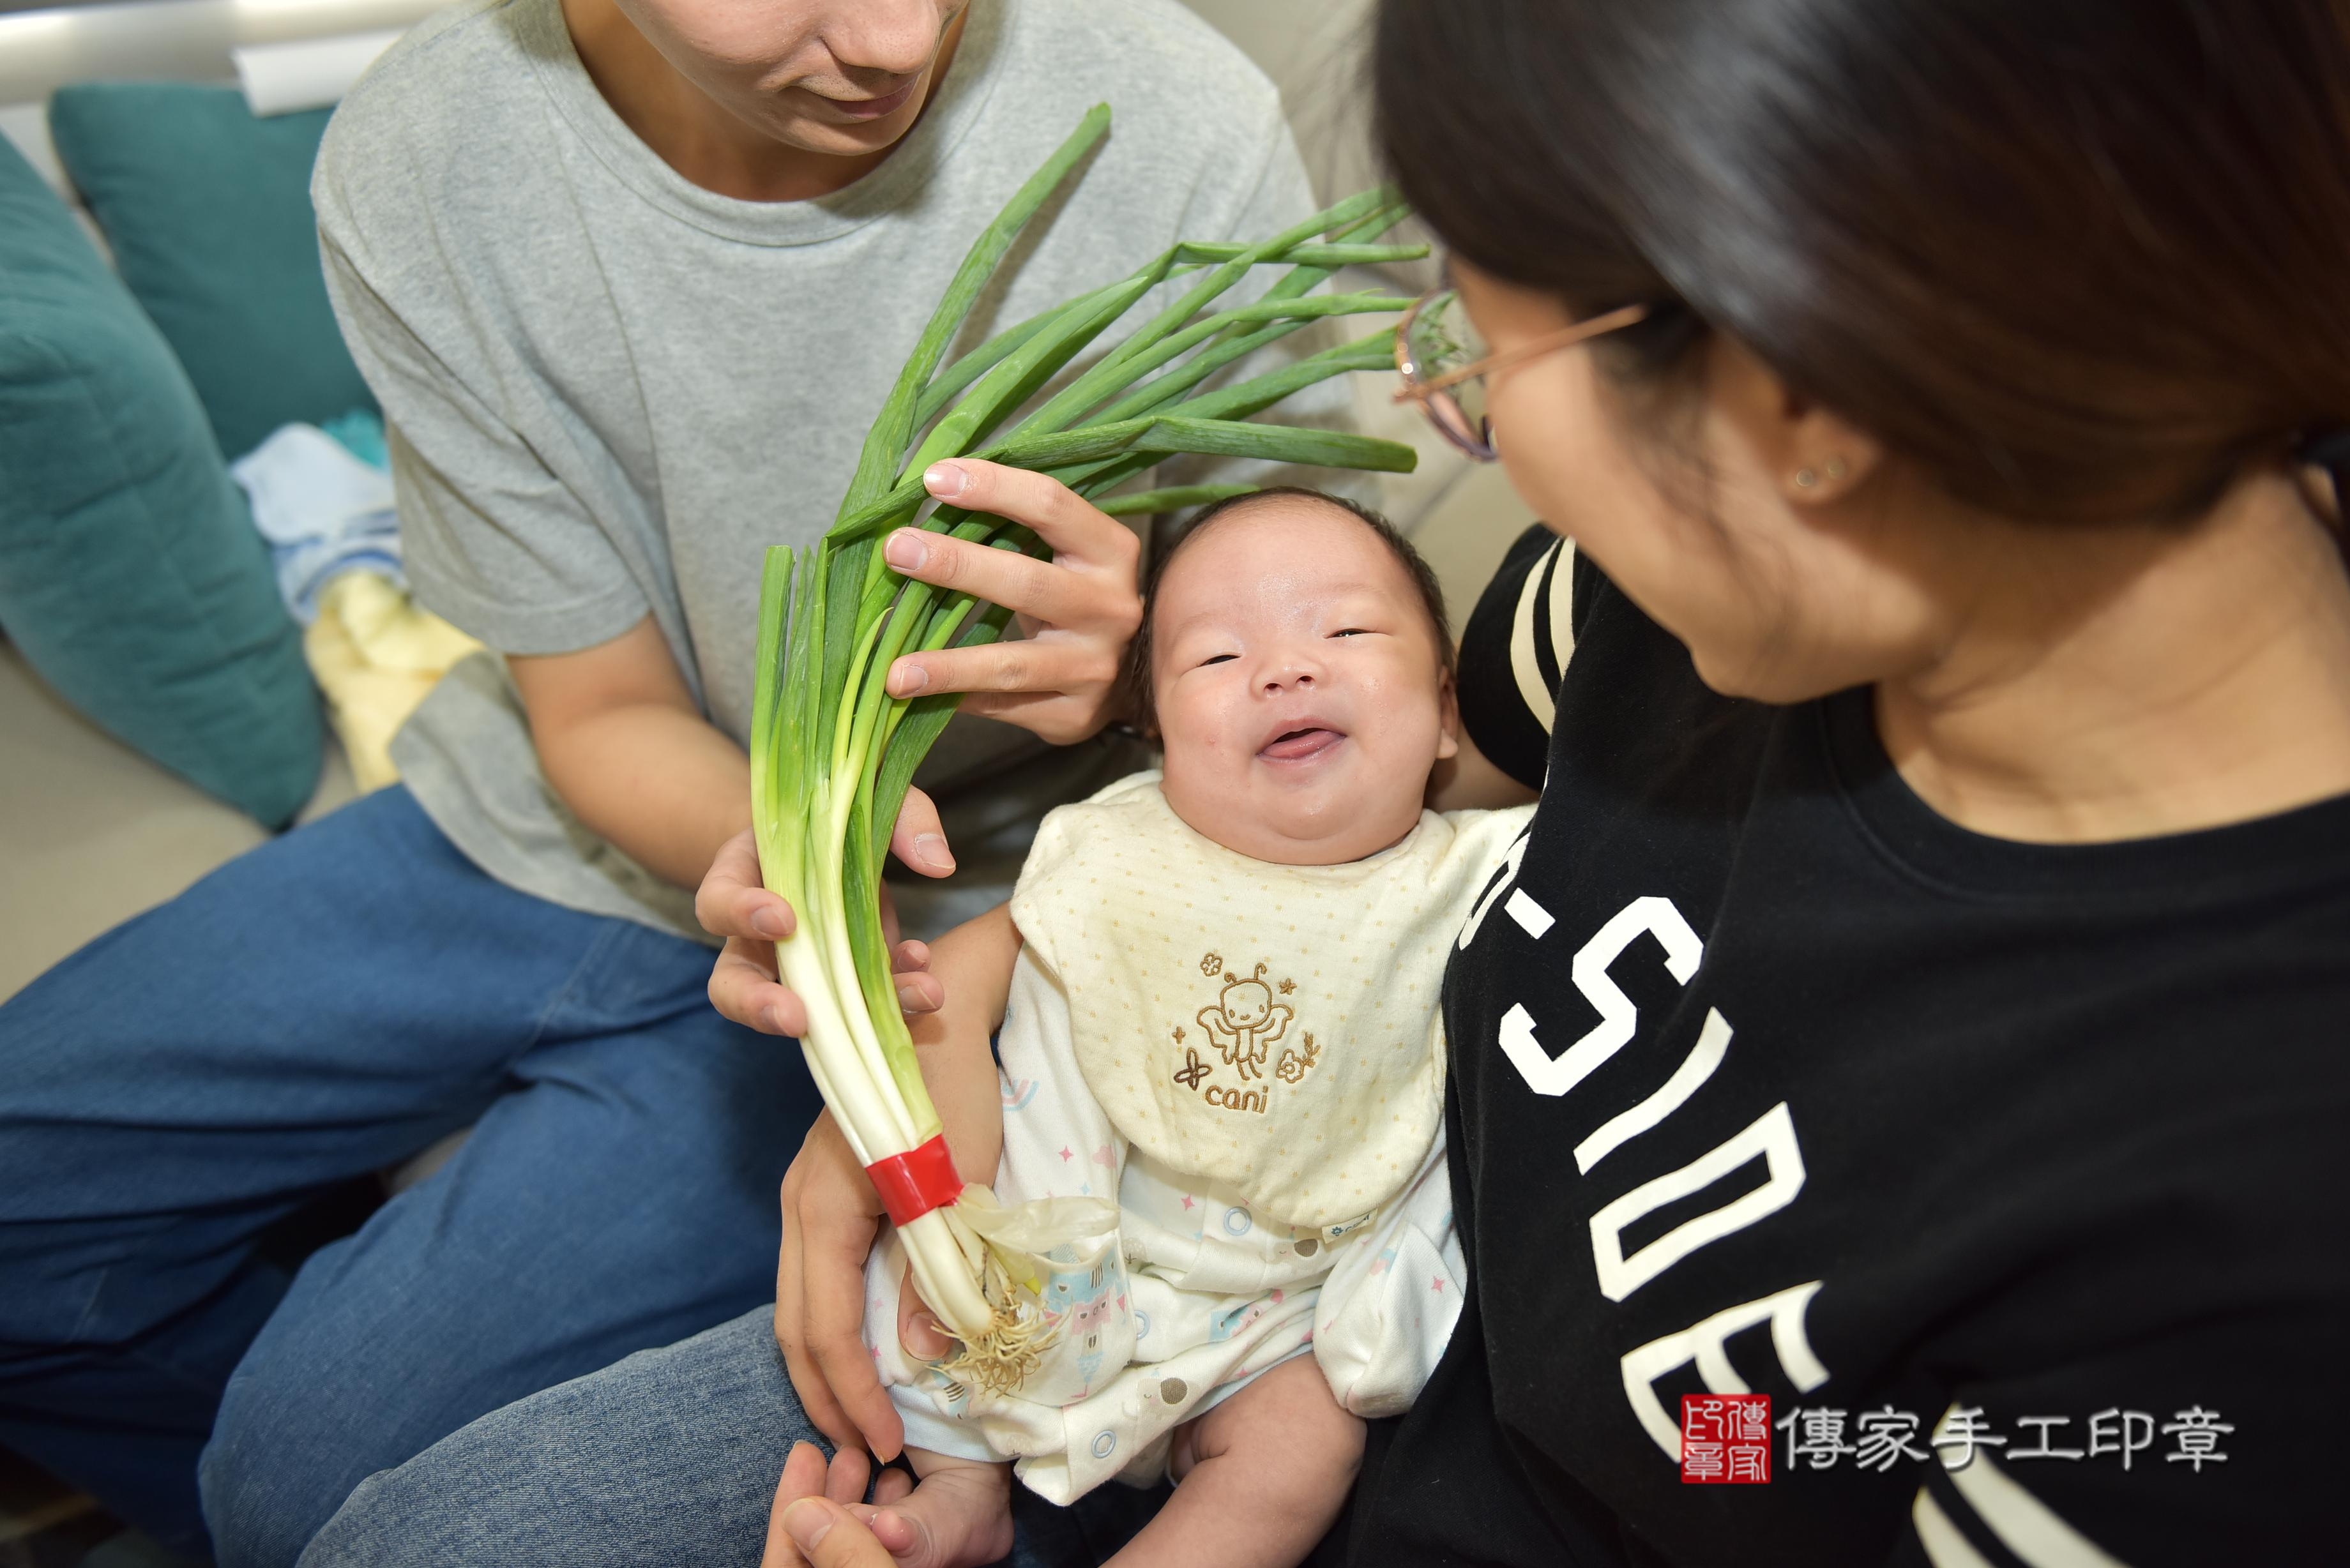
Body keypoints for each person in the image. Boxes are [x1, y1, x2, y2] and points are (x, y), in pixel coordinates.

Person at [291, 0, 2350, 1564]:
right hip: (1131, 1276)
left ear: (1795, 397)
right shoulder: (1652, 611)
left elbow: (1808, 1457)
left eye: (1474, 340)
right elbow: (1305, 818)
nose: (1462, 431)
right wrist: (955, 1054)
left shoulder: (2237, 1277)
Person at [0, 0, 1343, 1559]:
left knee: (302, 1473)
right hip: (550, 829)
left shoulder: (1175, 119)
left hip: (977, 926)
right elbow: (597, 710)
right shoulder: (432, 152)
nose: (896, 38)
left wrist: (1137, 679)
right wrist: (791, 860)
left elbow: (1360, 700)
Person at [862, 490, 1528, 1568]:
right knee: (920, 1300)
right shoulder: (1115, 855)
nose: (1284, 669)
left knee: (1304, 1450)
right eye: (1217, 659)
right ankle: (960, 1488)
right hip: (1073, 1247)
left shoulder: (1478, 872)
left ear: (1448, 713)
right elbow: (985, 1024)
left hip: (1278, 1315)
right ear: (1157, 740)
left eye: (1346, 630)